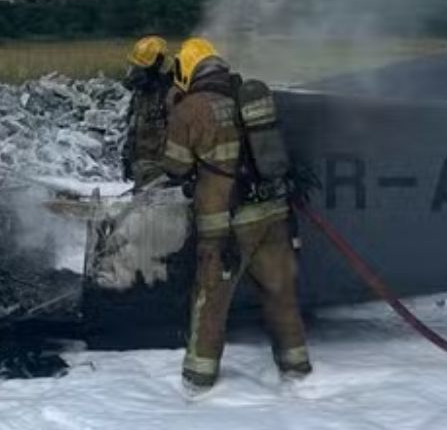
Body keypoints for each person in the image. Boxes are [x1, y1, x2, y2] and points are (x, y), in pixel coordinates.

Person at [160, 37, 310, 394]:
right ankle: (297, 366)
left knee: (210, 300)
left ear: (187, 70)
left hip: (226, 224)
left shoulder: (191, 108)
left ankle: (199, 378)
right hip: (274, 214)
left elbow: (175, 167)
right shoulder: (248, 95)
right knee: (281, 293)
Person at [122, 36, 175, 188]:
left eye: (142, 67)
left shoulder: (171, 93)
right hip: (141, 164)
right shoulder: (141, 92)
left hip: (160, 167)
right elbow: (133, 123)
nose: (136, 72)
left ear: (157, 64)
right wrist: (127, 154)